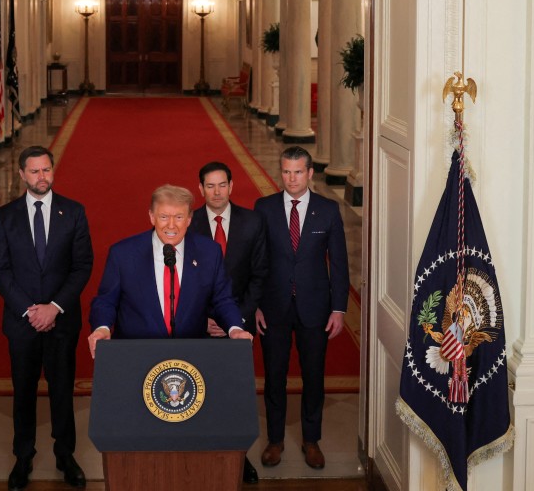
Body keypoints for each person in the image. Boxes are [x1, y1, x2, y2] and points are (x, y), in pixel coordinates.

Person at [0, 146, 94, 491]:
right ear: (21, 175)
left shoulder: (74, 212)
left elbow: (82, 266)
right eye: (34, 172)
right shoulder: (5, 216)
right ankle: (23, 457)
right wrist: (30, 310)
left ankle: (66, 455)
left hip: (62, 321)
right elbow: (0, 270)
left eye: (46, 170)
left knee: (62, 389)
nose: (41, 177)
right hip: (22, 323)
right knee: (24, 391)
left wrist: (54, 307)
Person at [254, 146, 350, 470]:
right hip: (273, 308)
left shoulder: (328, 210)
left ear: (310, 173)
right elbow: (257, 262)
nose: (291, 179)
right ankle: (275, 440)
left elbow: (338, 264)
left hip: (315, 309)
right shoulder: (264, 208)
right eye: (285, 172)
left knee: (313, 376)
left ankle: (312, 440)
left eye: (297, 172)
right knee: (275, 377)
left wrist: (339, 310)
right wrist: (254, 306)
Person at [88, 184, 254, 356]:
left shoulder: (209, 252)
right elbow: (106, 301)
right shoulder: (123, 253)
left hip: (191, 355)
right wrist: (102, 328)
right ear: (152, 217)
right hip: (135, 354)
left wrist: (235, 329)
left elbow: (223, 299)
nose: (172, 225)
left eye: (179, 217)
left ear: (189, 219)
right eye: (164, 217)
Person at [191, 161, 268, 484]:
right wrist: (204, 318)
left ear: (232, 186)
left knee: (234, 392)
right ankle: (199, 452)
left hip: (238, 326)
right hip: (199, 325)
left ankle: (239, 456)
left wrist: (235, 321)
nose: (217, 192)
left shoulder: (252, 223)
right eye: (210, 186)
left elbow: (259, 276)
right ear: (200, 189)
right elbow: (181, 280)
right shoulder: (189, 223)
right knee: (199, 390)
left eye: (222, 185)